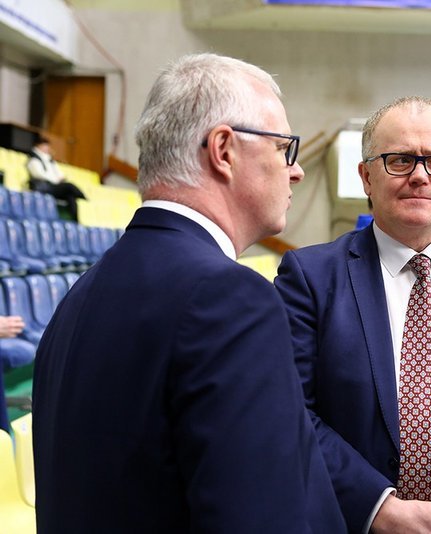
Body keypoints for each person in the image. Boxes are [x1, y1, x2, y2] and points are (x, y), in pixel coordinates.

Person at [32, 53, 346, 533]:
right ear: (224, 150)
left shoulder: (83, 292)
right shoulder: (228, 298)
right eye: (284, 148)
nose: (297, 170)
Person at [275, 96, 431, 533]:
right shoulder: (310, 279)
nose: (420, 175)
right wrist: (378, 508)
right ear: (366, 176)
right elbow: (290, 410)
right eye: (400, 160)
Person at [26, 134, 87, 221]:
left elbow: (59, 173)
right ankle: (85, 199)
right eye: (44, 146)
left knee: (70, 196)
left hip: (54, 185)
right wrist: (55, 179)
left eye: (47, 146)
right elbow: (38, 174)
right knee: (69, 186)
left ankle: (75, 221)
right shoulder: (34, 159)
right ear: (38, 146)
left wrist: (60, 178)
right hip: (46, 186)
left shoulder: (50, 160)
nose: (47, 148)